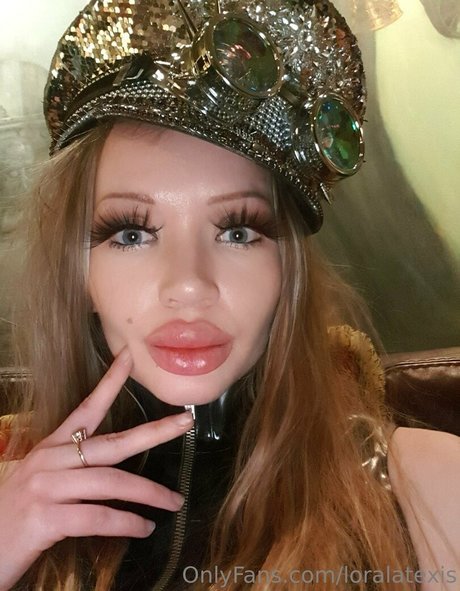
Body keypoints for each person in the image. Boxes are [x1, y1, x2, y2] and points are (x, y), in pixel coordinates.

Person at [0, 0, 458, 589]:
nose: (189, 284)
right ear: (80, 274)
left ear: (287, 272)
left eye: (238, 231)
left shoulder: (428, 492)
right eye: (132, 233)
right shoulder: (9, 504)